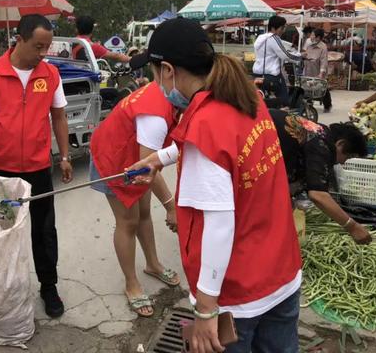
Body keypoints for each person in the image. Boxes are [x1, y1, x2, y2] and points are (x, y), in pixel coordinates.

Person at [129, 18, 302, 353]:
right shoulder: (245, 97)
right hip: (281, 273)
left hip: (237, 296)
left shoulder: (205, 128)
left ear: (168, 70)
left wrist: (207, 307)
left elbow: (219, 225)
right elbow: (224, 144)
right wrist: (159, 159)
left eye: (153, 74)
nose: (157, 84)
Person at [0, 14, 73, 318]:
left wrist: (64, 157)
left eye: (47, 47)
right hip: (0, 169)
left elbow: (60, 116)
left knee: (43, 231)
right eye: (38, 46)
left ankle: (48, 286)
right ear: (20, 39)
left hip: (38, 168)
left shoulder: (50, 75)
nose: (43, 53)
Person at [89, 80, 180, 318]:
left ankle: (152, 264)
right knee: (128, 221)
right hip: (113, 157)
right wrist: (172, 208)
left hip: (135, 155)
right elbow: (148, 169)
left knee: (144, 213)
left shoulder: (167, 94)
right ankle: (131, 284)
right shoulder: (155, 115)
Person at [269, 109, 372, 244]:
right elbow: (317, 195)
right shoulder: (322, 144)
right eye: (348, 156)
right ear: (340, 144)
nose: (343, 162)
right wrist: (353, 227)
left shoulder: (318, 134)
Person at [253, 15, 302, 106]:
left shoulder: (260, 38)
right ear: (273, 28)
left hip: (257, 74)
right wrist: (299, 57)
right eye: (282, 28)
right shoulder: (274, 38)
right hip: (271, 76)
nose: (283, 31)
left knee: (261, 102)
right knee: (284, 101)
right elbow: (285, 55)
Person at [302, 28, 333, 112]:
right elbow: (305, 53)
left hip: (318, 70)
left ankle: (328, 105)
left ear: (318, 38)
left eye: (313, 35)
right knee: (308, 87)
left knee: (322, 88)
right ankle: (308, 104)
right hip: (308, 69)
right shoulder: (309, 44)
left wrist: (322, 72)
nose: (311, 37)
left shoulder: (323, 47)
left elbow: (324, 60)